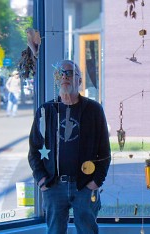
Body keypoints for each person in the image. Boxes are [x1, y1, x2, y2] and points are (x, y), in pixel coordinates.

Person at [28, 60, 111, 234]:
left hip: (85, 186)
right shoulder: (45, 111)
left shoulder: (94, 110)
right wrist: (42, 179)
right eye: (61, 74)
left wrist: (96, 181)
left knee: (88, 231)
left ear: (79, 81)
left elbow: (104, 151)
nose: (65, 77)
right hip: (53, 186)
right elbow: (34, 150)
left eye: (70, 73)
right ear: (57, 79)